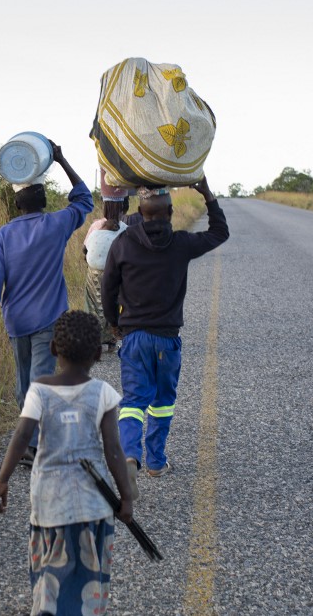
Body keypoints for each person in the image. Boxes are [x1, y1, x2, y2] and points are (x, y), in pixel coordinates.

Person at [0, 310, 135, 616]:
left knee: (49, 577)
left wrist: (3, 479)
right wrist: (126, 497)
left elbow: (21, 437)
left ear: (54, 349)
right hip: (93, 508)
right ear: (98, 353)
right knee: (88, 580)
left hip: (49, 506)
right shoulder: (103, 394)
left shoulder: (39, 391)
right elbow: (113, 450)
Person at [101, 178, 229, 490]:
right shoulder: (182, 243)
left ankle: (130, 456)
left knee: (133, 401)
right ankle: (156, 462)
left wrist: (112, 322)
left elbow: (108, 287)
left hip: (134, 338)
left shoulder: (123, 243)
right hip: (167, 340)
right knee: (162, 401)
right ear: (170, 212)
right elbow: (219, 233)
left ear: (140, 213)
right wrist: (208, 195)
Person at [0, 142, 94, 467]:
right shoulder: (57, 225)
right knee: (39, 383)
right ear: (44, 201)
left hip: (17, 323)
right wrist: (62, 157)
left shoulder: (5, 235)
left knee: (24, 385)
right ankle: (38, 445)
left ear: (17, 204)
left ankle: (32, 444)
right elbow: (85, 199)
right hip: (48, 322)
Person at [83, 198, 129, 352]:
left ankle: (94, 342)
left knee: (93, 306)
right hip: (116, 273)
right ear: (124, 208)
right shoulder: (126, 228)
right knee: (113, 303)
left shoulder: (96, 226)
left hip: (94, 272)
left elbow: (85, 250)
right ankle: (111, 341)